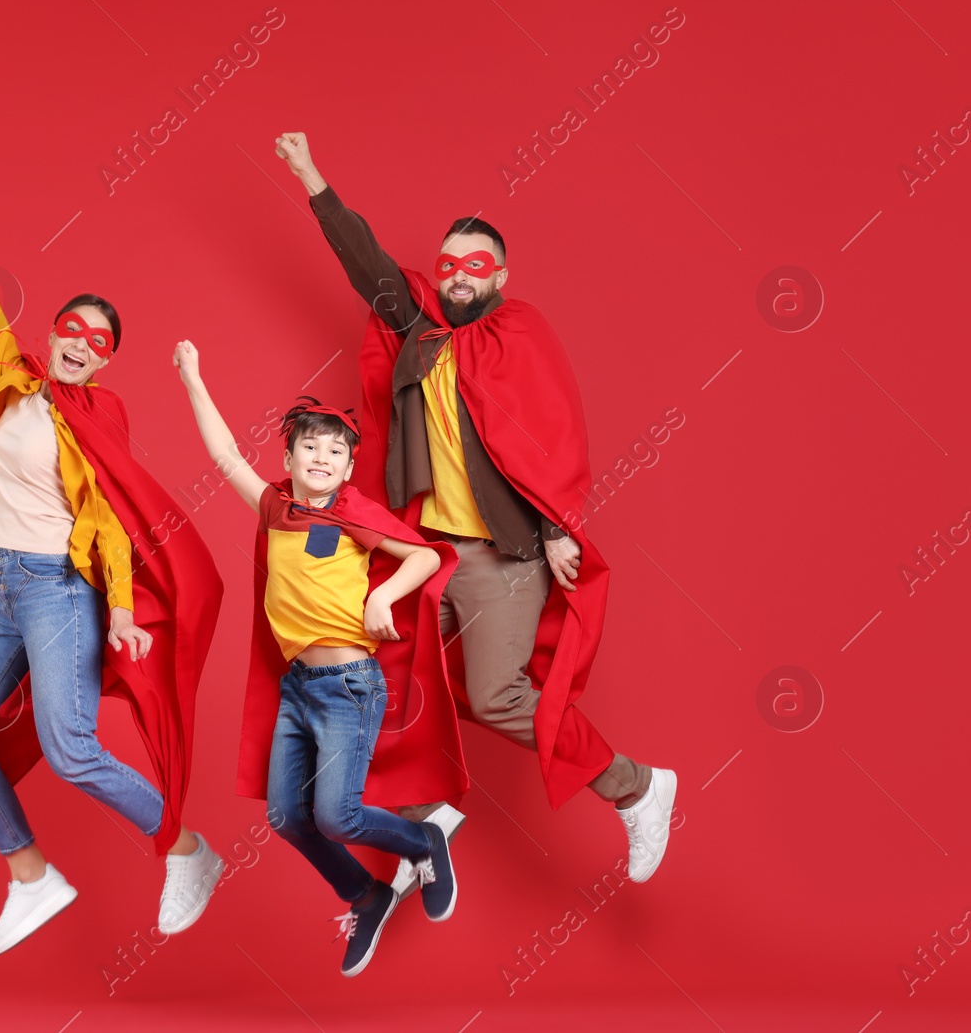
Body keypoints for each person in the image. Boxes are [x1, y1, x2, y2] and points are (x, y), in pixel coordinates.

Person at [275, 133, 678, 887]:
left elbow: (551, 436)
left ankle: (638, 785)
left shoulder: (521, 333)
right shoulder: (419, 331)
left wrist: (559, 528)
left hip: (506, 555)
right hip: (433, 551)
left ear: (501, 274)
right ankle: (425, 820)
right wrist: (311, 178)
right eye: (448, 263)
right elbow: (368, 267)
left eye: (475, 265)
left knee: (495, 695)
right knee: (376, 675)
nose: (458, 276)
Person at [0, 195, 224, 957]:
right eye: (73, 330)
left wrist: (119, 609)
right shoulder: (15, 380)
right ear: (51, 334)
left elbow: (113, 518)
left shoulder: (96, 413)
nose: (82, 345)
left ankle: (186, 850)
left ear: (108, 357)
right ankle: (32, 876)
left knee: (72, 747)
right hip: (5, 592)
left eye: (100, 341)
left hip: (58, 589)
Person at [174, 339, 462, 977]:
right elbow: (223, 455)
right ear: (289, 457)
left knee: (337, 814)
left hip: (348, 686)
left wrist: (383, 594)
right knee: (285, 816)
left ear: (349, 466)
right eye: (311, 447)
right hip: (298, 689)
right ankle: (368, 894)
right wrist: (194, 376)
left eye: (336, 451)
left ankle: (425, 840)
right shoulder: (277, 506)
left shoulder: (355, 513)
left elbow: (423, 556)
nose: (323, 457)